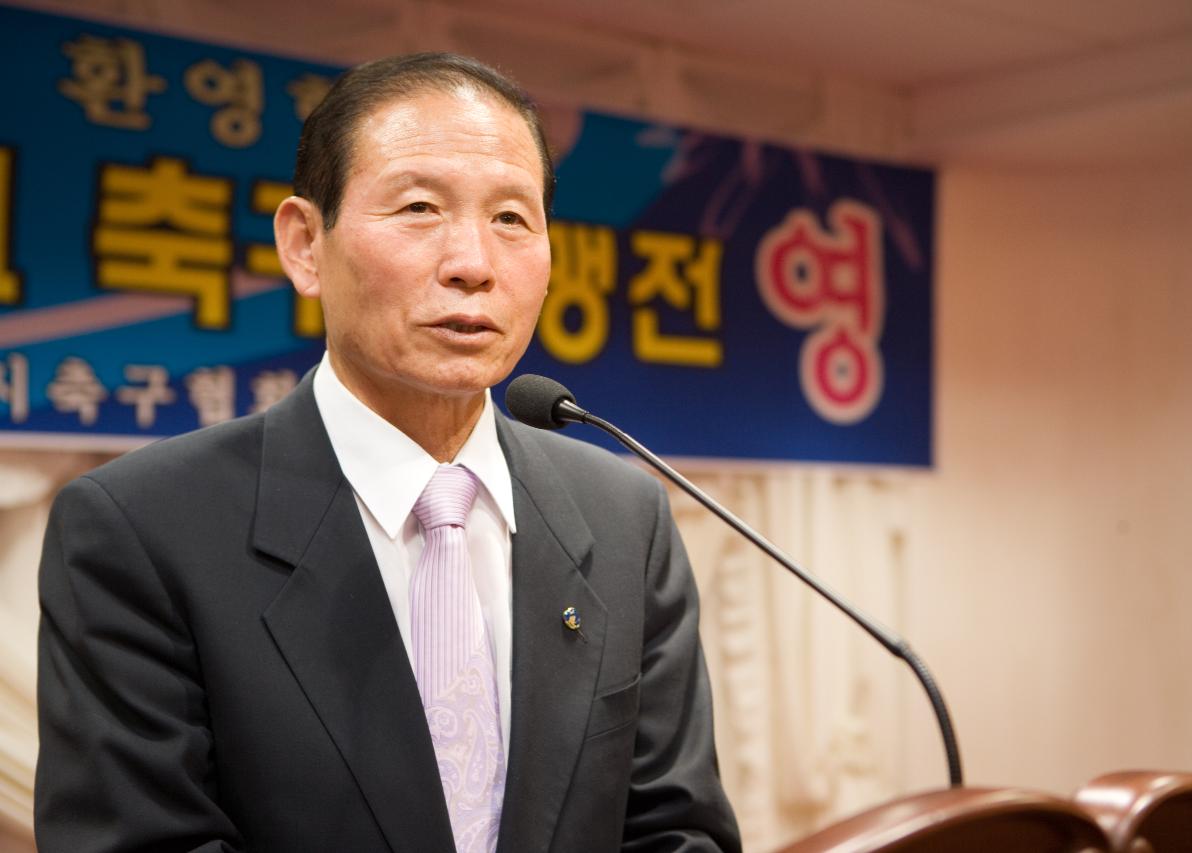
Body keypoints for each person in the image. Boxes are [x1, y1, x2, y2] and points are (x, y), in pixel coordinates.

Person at [35, 52, 740, 853]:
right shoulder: (142, 528)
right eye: (418, 207)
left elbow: (676, 829)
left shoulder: (623, 514)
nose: (473, 264)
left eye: (512, 219)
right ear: (304, 244)